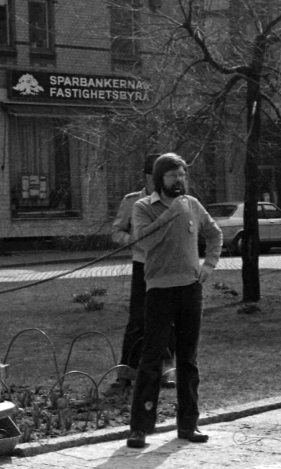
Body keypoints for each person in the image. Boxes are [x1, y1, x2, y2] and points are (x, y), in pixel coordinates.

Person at [126, 153, 223, 449]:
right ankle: (140, 429)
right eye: (172, 176)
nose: (179, 181)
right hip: (158, 291)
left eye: (182, 175)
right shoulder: (143, 207)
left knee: (188, 360)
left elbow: (214, 233)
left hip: (190, 290)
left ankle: (188, 424)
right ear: (160, 179)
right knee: (152, 358)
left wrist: (209, 265)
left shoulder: (192, 204)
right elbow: (144, 242)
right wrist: (171, 215)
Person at [109, 153, 176, 394]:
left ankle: (166, 370)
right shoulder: (132, 201)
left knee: (168, 319)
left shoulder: (172, 200)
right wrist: (132, 240)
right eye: (155, 175)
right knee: (137, 320)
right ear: (147, 176)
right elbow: (116, 232)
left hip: (168, 266)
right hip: (143, 266)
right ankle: (126, 374)